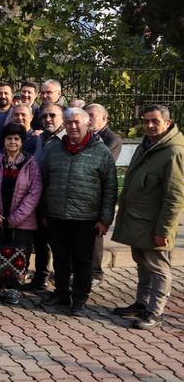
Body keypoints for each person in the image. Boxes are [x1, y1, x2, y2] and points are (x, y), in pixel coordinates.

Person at [112, 105, 184, 329]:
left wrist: (163, 230)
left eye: (155, 121)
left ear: (168, 123)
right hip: (138, 221)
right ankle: (141, 304)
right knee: (142, 264)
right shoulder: (146, 146)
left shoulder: (174, 152)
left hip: (154, 225)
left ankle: (155, 312)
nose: (150, 126)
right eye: (146, 121)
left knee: (158, 268)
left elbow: (175, 195)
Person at [40, 108, 117, 316]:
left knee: (83, 260)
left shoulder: (101, 152)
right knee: (60, 257)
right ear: (63, 125)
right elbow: (44, 181)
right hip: (57, 215)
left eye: (77, 122)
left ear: (87, 124)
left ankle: (80, 298)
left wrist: (106, 219)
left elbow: (110, 188)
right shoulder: (54, 149)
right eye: (68, 122)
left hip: (86, 218)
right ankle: (61, 292)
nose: (72, 126)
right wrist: (44, 211)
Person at [0, 123, 43, 305]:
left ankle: (14, 287)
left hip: (21, 220)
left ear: (22, 142)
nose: (12, 142)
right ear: (3, 141)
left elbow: (34, 193)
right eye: (9, 138)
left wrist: (17, 217)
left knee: (19, 253)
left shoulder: (31, 164)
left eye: (16, 139)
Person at [26, 102, 66, 290]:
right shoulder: (40, 139)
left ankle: (61, 287)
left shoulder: (66, 140)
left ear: (62, 118)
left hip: (57, 200)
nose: (47, 119)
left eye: (52, 116)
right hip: (38, 199)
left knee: (59, 246)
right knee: (40, 242)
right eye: (44, 116)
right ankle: (40, 279)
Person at [85, 102, 123, 284]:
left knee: (95, 236)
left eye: (92, 115)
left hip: (98, 193)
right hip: (81, 194)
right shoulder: (85, 136)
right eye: (87, 115)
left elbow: (102, 164)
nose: (88, 119)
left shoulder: (112, 139)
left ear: (104, 118)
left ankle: (95, 273)